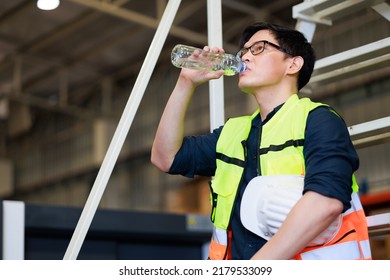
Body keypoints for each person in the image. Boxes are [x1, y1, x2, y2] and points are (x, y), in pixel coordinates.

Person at [151, 22, 372, 260]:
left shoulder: (317, 120)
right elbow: (165, 158)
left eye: (258, 48)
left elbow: (325, 203)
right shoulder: (233, 132)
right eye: (244, 51)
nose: (245, 56)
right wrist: (186, 84)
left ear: (293, 64)